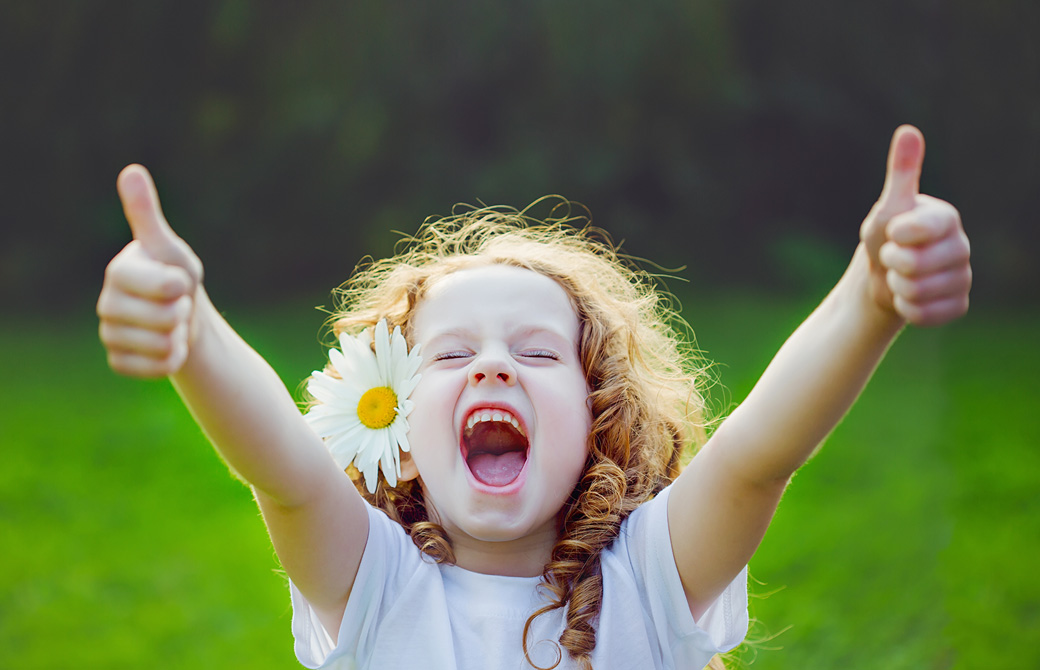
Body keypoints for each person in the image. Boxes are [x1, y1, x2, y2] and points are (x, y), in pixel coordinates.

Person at [96, 125, 971, 669]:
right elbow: (283, 468)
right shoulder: (378, 590)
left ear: (599, 418)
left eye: (538, 351)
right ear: (394, 425)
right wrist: (194, 333)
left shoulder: (650, 583)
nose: (492, 367)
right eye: (449, 354)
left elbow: (756, 457)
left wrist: (870, 299)